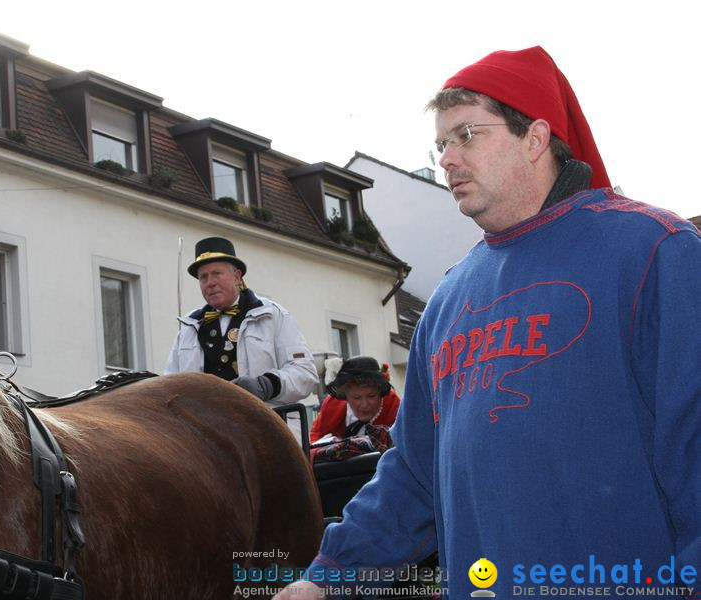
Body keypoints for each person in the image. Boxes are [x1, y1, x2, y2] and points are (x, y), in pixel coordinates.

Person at [275, 46, 701, 599]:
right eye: (441, 144)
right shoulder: (448, 300)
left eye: (466, 135)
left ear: (535, 138)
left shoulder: (656, 252)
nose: (447, 159)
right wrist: (325, 578)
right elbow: (414, 472)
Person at [163, 236, 317, 410]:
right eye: (203, 278)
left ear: (237, 277)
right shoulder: (189, 328)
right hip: (204, 430)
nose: (210, 283)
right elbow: (169, 386)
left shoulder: (273, 316)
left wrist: (267, 385)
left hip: (265, 424)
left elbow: (305, 373)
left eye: (216, 274)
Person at [309, 356, 400, 443]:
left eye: (371, 396)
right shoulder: (332, 406)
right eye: (356, 398)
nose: (364, 404)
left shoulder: (395, 407)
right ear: (346, 395)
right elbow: (315, 441)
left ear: (380, 392)